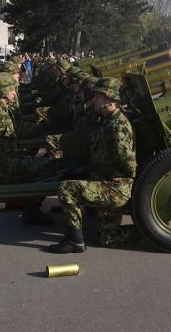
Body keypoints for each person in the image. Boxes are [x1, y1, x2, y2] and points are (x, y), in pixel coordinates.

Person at [47, 77, 139, 253]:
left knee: (67, 189)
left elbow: (128, 163)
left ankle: (75, 241)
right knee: (108, 238)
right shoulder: (106, 120)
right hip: (105, 182)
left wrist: (122, 184)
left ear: (109, 99)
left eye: (98, 96)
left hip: (114, 187)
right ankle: (146, 230)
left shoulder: (117, 125)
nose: (93, 99)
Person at [0, 72, 55, 225]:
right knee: (45, 167)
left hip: (6, 160)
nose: (14, 93)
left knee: (44, 166)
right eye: (11, 90)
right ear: (3, 92)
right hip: (0, 165)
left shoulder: (4, 109)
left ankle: (30, 207)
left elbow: (16, 130)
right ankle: (31, 211)